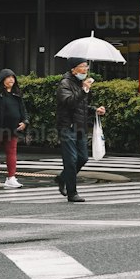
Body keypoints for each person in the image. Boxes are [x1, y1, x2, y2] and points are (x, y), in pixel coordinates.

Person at [54, 59, 106, 203]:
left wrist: (95, 110)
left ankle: (62, 178)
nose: (85, 70)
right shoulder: (65, 84)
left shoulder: (79, 84)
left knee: (83, 158)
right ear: (73, 69)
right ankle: (72, 193)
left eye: (86, 67)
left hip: (80, 127)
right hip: (67, 127)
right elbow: (69, 102)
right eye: (82, 67)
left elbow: (81, 107)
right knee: (71, 160)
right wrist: (84, 90)